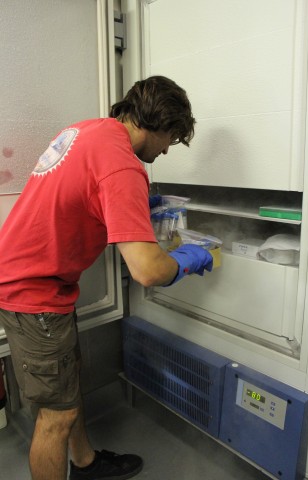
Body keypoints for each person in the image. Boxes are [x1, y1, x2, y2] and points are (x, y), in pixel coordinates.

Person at [0, 76, 213, 480]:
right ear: (161, 122)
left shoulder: (86, 131)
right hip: (33, 291)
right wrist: (185, 259)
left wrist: (132, 206)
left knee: (67, 386)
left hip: (30, 278)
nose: (167, 149)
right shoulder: (122, 165)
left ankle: (84, 463)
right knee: (54, 418)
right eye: (171, 138)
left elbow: (81, 195)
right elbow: (149, 271)